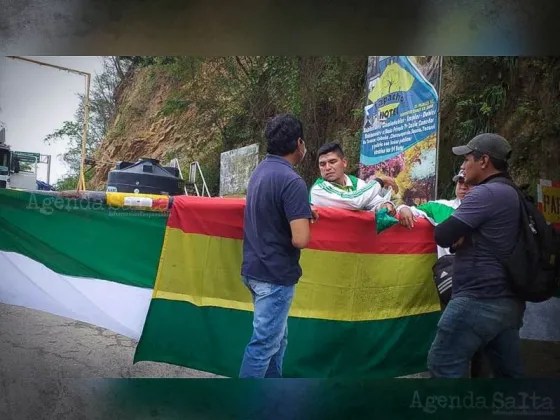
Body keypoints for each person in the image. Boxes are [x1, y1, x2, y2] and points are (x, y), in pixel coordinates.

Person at [427, 133, 525, 378]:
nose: (462, 165)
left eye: (468, 158)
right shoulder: (512, 192)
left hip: (478, 298)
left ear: (484, 161)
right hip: (507, 301)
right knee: (508, 376)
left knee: (443, 362)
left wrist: (462, 233)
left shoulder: (485, 194)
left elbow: (443, 234)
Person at [239, 113, 318, 378]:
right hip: (274, 277)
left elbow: (271, 212)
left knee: (277, 341)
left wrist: (302, 212)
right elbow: (301, 239)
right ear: (299, 143)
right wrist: (304, 218)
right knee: (263, 346)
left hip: (255, 269)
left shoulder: (260, 172)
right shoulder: (292, 181)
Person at [309, 142, 399, 213]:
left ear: (344, 162)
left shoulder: (355, 182)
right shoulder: (318, 189)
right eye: (322, 164)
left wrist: (385, 205)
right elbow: (353, 201)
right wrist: (379, 181)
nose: (327, 168)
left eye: (332, 162)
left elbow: (374, 201)